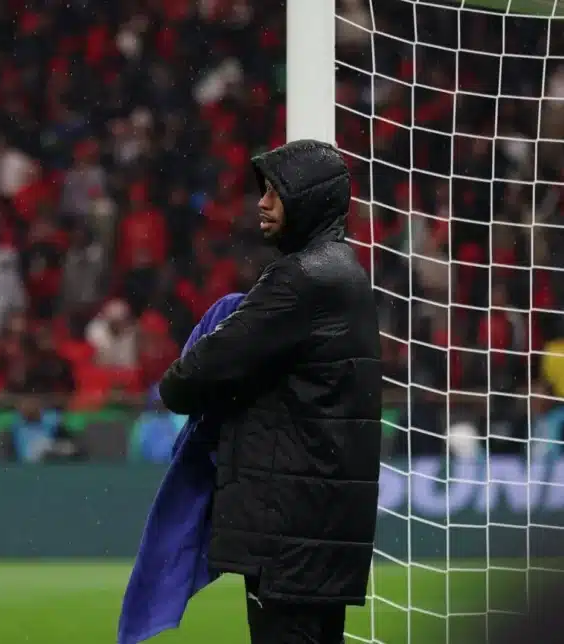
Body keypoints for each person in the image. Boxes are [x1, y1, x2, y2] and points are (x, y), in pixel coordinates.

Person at [157, 139, 382, 644]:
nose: (261, 202)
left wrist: (201, 366)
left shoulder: (300, 281)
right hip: (323, 528)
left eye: (276, 192)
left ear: (307, 198)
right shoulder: (346, 273)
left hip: (288, 535)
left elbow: (189, 379)